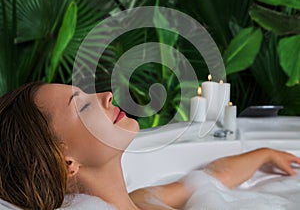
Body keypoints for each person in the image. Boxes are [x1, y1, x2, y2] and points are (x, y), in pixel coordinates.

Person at [0, 82, 299, 210]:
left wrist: (265, 154)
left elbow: (213, 176)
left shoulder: (142, 199)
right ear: (67, 163)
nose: (106, 95)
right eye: (83, 108)